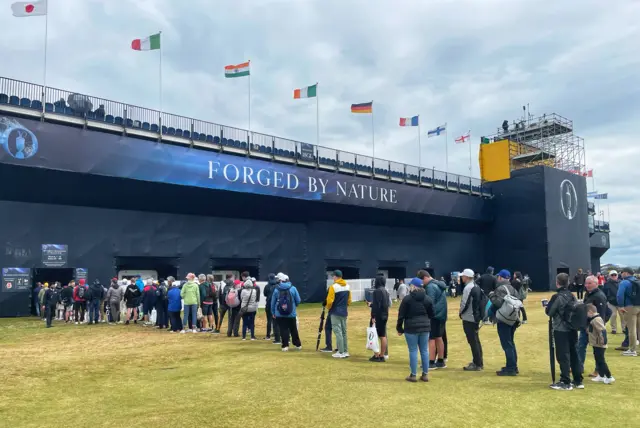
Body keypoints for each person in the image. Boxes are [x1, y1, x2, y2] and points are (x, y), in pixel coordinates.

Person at [546, 273, 583, 390]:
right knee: (574, 354)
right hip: (572, 328)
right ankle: (578, 380)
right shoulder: (572, 296)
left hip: (560, 329)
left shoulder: (557, 297)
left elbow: (550, 312)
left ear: (557, 282)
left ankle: (565, 381)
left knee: (563, 355)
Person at [396, 277, 435, 382]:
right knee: (424, 350)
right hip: (425, 327)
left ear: (413, 286)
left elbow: (401, 315)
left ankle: (413, 375)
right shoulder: (427, 299)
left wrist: (399, 328)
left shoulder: (407, 299)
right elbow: (432, 314)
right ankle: (425, 374)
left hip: (411, 327)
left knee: (413, 350)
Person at [490, 270, 520, 376]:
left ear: (500, 278)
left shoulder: (500, 289)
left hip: (504, 319)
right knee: (510, 342)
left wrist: (492, 295)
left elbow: (497, 303)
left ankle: (511, 368)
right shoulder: (513, 288)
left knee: (506, 344)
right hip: (513, 318)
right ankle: (513, 365)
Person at [580, 275, 607, 376]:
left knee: (597, 349)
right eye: (586, 283)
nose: (587, 285)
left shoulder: (599, 296)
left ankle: (598, 370)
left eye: (589, 283)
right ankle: (579, 366)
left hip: (594, 327)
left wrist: (598, 326)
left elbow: (603, 313)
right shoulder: (588, 294)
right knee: (580, 346)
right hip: (585, 325)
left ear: (596, 283)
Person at [420, 270, 447, 369]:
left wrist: (426, 314)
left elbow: (429, 303)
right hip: (442, 315)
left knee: (431, 339)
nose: (422, 284)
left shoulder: (430, 287)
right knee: (439, 337)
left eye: (422, 281)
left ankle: (431, 362)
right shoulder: (439, 284)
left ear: (425, 278)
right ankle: (440, 361)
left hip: (434, 316)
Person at [459, 269, 484, 371]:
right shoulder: (476, 286)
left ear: (467, 277)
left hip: (469, 317)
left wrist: (460, 313)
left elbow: (464, 303)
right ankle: (478, 361)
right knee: (475, 340)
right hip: (475, 316)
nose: (461, 277)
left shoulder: (468, 288)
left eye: (463, 276)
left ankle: (477, 363)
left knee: (472, 341)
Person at [270, 272, 302, 352]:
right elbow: (298, 300)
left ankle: (285, 346)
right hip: (291, 313)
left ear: (280, 280)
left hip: (279, 314)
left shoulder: (276, 289)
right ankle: (297, 344)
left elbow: (273, 302)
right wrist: (294, 306)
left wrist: (273, 312)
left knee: (283, 329)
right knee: (293, 329)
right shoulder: (293, 288)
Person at [326, 270, 352, 359]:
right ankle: (345, 351)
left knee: (338, 332)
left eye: (333, 276)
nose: (332, 278)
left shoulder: (333, 287)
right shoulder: (347, 286)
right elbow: (349, 300)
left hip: (335, 312)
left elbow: (329, 301)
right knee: (344, 332)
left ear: (336, 277)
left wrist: (329, 308)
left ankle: (340, 352)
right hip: (344, 311)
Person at [586, 303, 615, 384]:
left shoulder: (596, 319)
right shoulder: (594, 319)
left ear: (590, 311)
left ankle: (609, 376)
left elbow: (602, 331)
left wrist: (603, 342)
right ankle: (601, 375)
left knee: (601, 360)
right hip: (596, 343)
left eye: (586, 313)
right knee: (598, 360)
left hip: (600, 344)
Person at [617, 267, 640, 357]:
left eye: (622, 272)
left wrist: (621, 306)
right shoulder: (637, 281)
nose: (621, 274)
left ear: (626, 273)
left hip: (629, 306)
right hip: (639, 305)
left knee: (631, 329)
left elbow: (620, 295)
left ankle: (632, 349)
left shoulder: (624, 282)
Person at [369, 273, 390, 362]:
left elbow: (376, 306)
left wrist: (373, 316)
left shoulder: (377, 291)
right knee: (383, 335)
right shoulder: (385, 291)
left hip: (378, 315)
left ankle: (376, 355)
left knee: (374, 335)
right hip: (385, 314)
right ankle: (382, 355)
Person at [240, 275, 259, 340]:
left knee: (244, 323)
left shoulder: (243, 291)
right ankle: (252, 336)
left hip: (244, 308)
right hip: (252, 308)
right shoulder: (254, 291)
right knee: (252, 322)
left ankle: (244, 337)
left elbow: (241, 298)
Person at [263, 273, 280, 343]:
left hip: (269, 304)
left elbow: (265, 294)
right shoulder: (277, 286)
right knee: (276, 321)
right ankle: (276, 335)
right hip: (276, 304)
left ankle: (268, 335)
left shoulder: (267, 286)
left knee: (269, 320)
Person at [319, 281, 335, 353]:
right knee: (339, 330)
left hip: (333, 311)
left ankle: (329, 346)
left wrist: (326, 303)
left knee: (328, 327)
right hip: (342, 311)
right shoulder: (343, 288)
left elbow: (329, 299)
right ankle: (340, 346)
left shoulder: (332, 288)